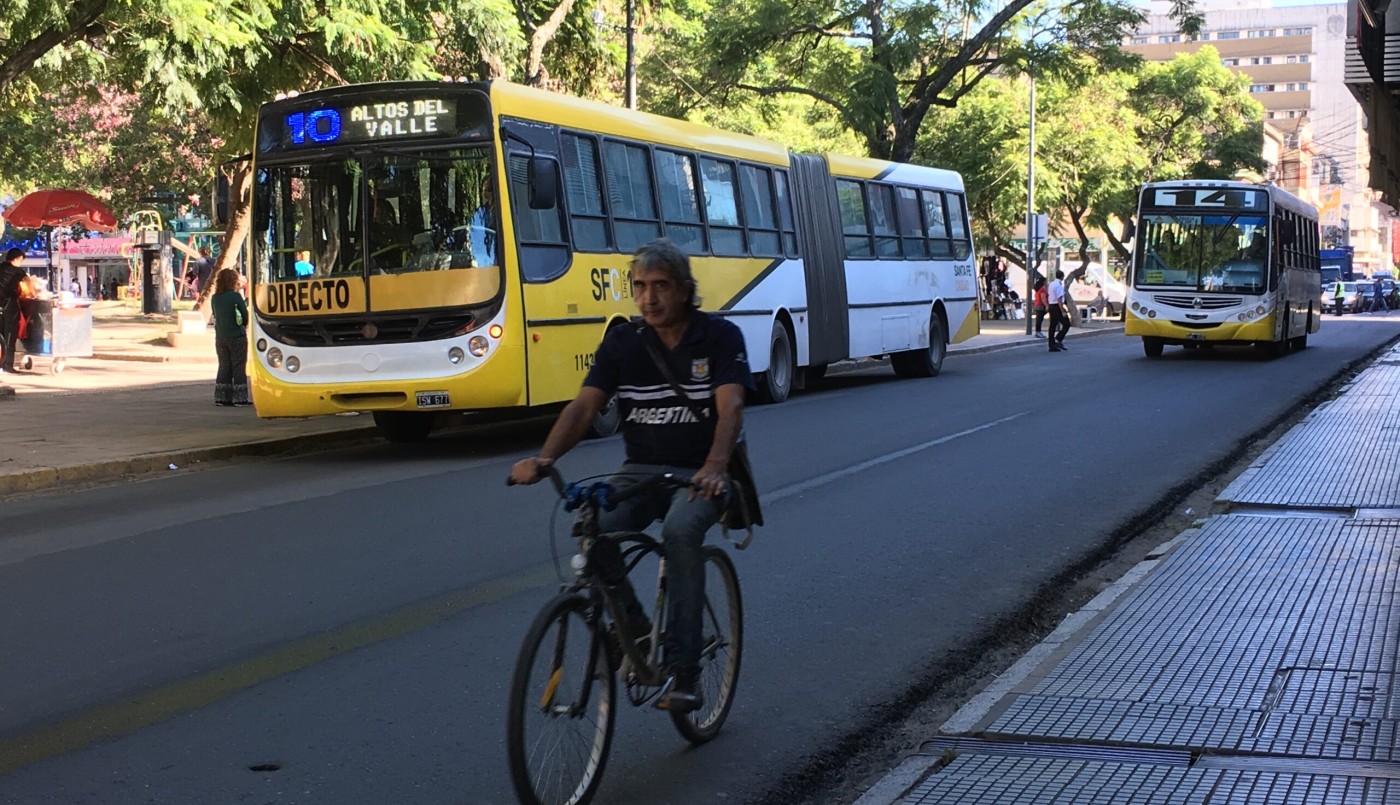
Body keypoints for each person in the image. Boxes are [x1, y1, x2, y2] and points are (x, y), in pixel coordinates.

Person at [509, 238, 752, 713]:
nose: (649, 298)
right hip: (640, 471)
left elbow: (732, 406)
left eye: (660, 286)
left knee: (682, 531)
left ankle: (686, 672)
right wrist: (546, 459)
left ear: (684, 290)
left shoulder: (719, 337)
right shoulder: (624, 342)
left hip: (701, 474)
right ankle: (637, 633)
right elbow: (584, 406)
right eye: (639, 287)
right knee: (592, 527)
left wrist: (715, 465)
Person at [209, 268, 252, 406]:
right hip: (236, 335)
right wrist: (244, 325)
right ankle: (240, 398)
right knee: (238, 366)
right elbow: (245, 315)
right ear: (233, 281)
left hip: (220, 336)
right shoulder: (235, 296)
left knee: (224, 365)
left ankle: (222, 397)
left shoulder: (215, 298)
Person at [0, 249, 26, 373]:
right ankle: (8, 365)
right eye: (21, 260)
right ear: (16, 259)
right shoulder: (18, 272)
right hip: (9, 304)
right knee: (10, 334)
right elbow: (29, 286)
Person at [1046, 269, 1070, 352]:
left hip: (1051, 305)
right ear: (1062, 277)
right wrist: (1063, 310)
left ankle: (1051, 344)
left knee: (1052, 326)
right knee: (1066, 324)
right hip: (1057, 306)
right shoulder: (1059, 286)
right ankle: (1058, 339)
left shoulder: (1051, 284)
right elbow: (1059, 299)